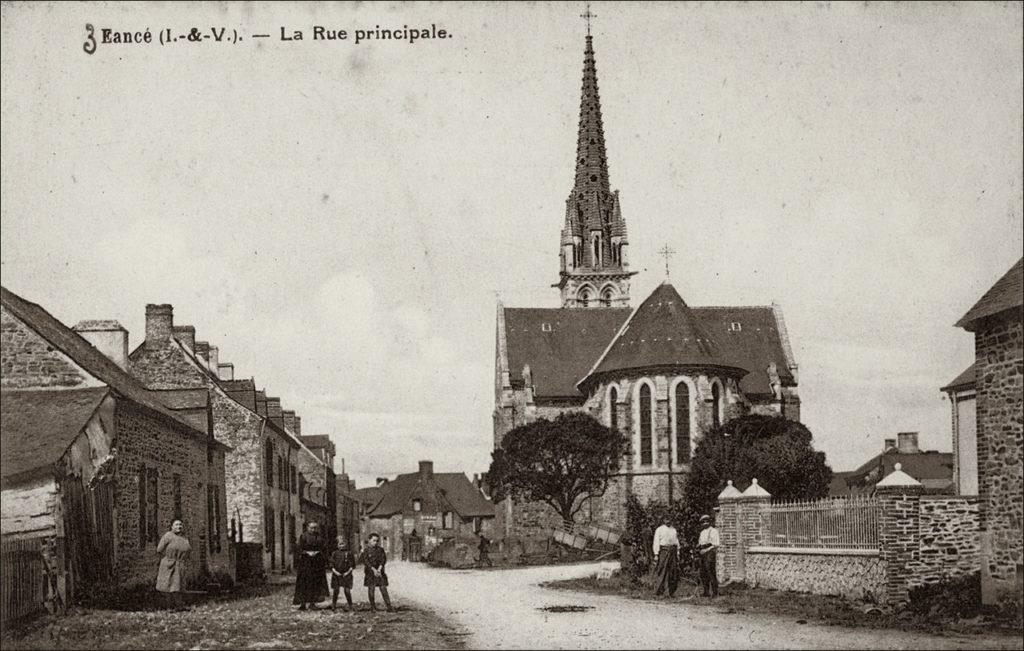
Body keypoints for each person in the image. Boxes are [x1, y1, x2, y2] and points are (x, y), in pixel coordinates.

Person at [156, 519, 192, 610]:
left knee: (177, 586)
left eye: (180, 525)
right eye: (176, 525)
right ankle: (168, 606)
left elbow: (188, 551)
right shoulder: (168, 536)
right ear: (172, 526)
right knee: (167, 586)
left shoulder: (185, 538)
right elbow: (159, 549)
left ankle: (179, 605)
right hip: (169, 564)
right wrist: (168, 558)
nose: (179, 526)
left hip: (180, 564)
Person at [293, 521, 329, 610]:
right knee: (304, 582)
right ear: (307, 528)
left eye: (315, 528)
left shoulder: (319, 537)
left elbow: (324, 547)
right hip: (305, 562)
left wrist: (318, 552)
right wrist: (306, 552)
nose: (313, 529)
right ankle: (303, 603)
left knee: (315, 582)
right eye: (311, 528)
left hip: (316, 562)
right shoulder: (303, 536)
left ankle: (313, 603)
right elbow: (299, 548)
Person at [359, 533, 393, 612]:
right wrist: (373, 570)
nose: (376, 542)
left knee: (383, 588)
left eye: (377, 541)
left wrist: (379, 569)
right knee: (371, 589)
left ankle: (389, 606)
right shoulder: (366, 550)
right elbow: (366, 562)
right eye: (374, 540)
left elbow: (383, 559)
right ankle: (373, 607)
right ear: (369, 540)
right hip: (370, 573)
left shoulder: (380, 550)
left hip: (380, 572)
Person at [651, 515, 681, 598]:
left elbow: (676, 541)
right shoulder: (660, 529)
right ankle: (659, 592)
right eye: (666, 519)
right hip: (664, 551)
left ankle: (671, 592)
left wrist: (678, 553)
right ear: (663, 520)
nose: (668, 521)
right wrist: (656, 554)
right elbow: (656, 541)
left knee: (673, 571)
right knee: (662, 571)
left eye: (670, 519)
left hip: (673, 551)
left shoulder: (673, 530)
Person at [330, 536, 357, 611]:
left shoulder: (349, 553)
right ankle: (334, 604)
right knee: (336, 590)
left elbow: (352, 565)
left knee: (347, 591)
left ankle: (350, 605)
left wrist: (347, 572)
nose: (341, 546)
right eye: (340, 544)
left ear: (346, 544)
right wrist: (335, 572)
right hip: (337, 574)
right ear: (337, 545)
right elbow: (331, 565)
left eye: (343, 544)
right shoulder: (334, 553)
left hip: (346, 575)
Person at [697, 514, 720, 598]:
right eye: (703, 522)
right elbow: (700, 543)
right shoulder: (702, 532)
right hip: (702, 552)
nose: (705, 523)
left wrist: (706, 550)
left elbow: (716, 544)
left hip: (710, 552)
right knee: (703, 572)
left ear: (710, 522)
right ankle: (706, 592)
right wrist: (698, 548)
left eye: (707, 521)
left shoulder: (714, 531)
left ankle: (715, 592)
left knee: (710, 571)